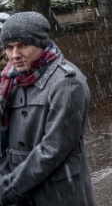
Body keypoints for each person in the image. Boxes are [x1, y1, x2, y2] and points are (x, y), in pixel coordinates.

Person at [0, 12, 94, 205]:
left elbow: (53, 149)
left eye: (23, 45)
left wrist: (10, 187)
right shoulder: (10, 80)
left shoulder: (67, 83)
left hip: (57, 193)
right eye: (9, 48)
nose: (15, 55)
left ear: (41, 43)